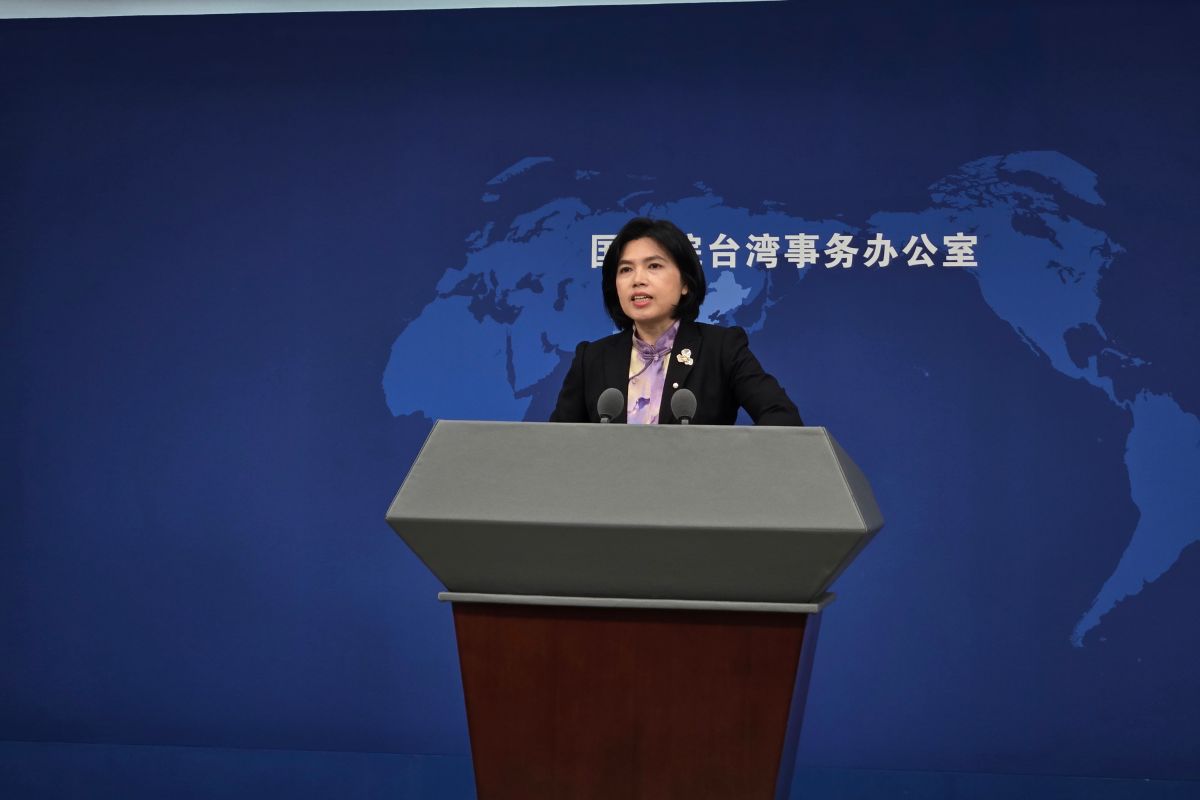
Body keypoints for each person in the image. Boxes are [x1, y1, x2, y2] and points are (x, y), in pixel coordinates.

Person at [550, 217, 803, 425]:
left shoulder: (721, 349)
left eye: (654, 266)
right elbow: (555, 446)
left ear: (685, 283)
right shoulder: (592, 359)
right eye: (625, 269)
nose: (638, 280)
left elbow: (783, 419)